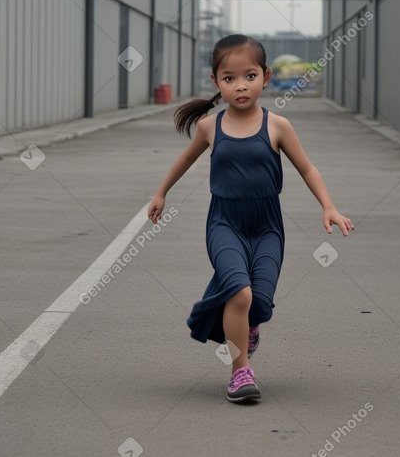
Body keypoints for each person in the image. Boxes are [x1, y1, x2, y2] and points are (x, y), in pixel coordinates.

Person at [147, 34, 353, 403]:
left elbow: (307, 168)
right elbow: (185, 160)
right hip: (224, 223)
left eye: (249, 76)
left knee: (259, 302)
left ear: (266, 77)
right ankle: (239, 372)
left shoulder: (278, 126)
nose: (240, 85)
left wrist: (329, 206)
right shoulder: (210, 127)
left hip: (267, 227)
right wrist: (161, 192)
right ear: (216, 83)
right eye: (229, 78)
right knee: (239, 292)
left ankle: (249, 327)